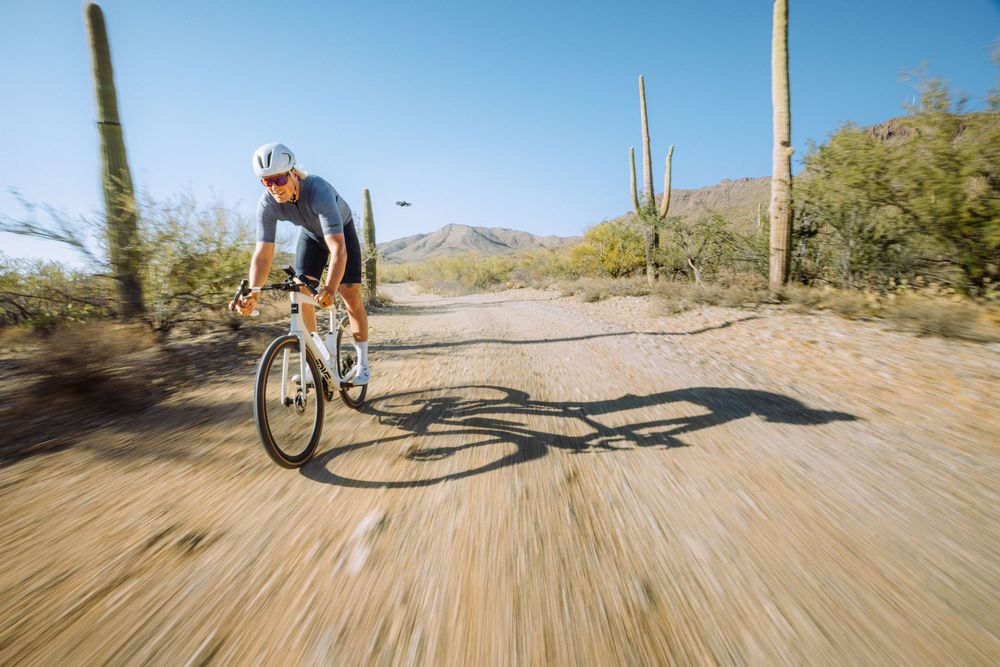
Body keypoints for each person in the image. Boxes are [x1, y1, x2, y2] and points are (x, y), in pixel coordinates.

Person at [230, 142, 370, 385]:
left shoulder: (318, 190)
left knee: (349, 294)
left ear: (293, 174)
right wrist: (253, 293)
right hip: (312, 237)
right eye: (266, 181)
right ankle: (316, 362)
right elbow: (263, 254)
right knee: (299, 289)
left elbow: (338, 249)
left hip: (341, 235)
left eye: (279, 180)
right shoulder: (267, 205)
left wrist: (329, 288)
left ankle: (363, 364)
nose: (274, 188)